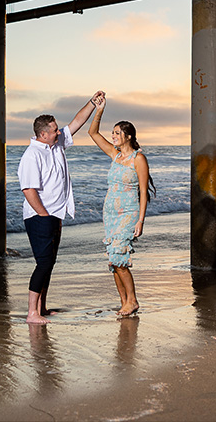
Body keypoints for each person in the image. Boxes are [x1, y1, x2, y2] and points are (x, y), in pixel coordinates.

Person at [18, 91, 104, 325]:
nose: (59, 132)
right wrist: (44, 215)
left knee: (49, 263)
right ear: (43, 134)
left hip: (55, 215)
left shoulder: (56, 145)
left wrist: (92, 104)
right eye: (55, 130)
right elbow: (29, 190)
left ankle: (42, 308)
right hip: (39, 216)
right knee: (43, 263)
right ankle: (31, 313)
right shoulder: (32, 155)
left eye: (58, 129)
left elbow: (77, 122)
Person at [88, 94, 153, 317]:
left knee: (119, 257)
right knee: (113, 261)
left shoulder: (138, 159)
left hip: (128, 213)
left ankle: (132, 300)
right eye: (113, 133)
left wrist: (140, 220)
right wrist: (100, 109)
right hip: (110, 213)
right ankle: (124, 302)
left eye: (117, 133)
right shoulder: (114, 155)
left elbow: (143, 192)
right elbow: (92, 133)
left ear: (128, 136)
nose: (113, 136)